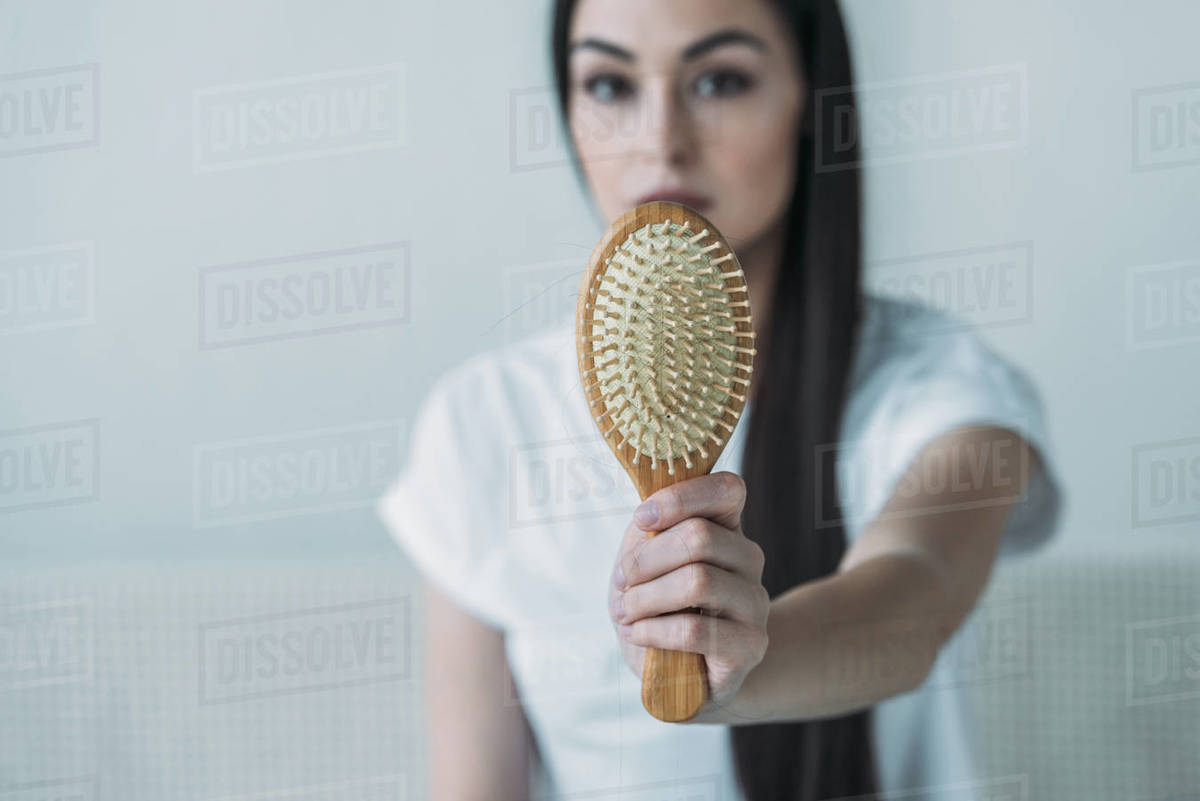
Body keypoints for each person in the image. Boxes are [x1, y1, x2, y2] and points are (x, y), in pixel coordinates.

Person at [377, 0, 1062, 799]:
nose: (660, 139)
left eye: (719, 80)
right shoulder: (483, 425)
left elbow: (911, 598)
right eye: (608, 84)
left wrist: (746, 665)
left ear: (811, 102)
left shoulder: (939, 387)